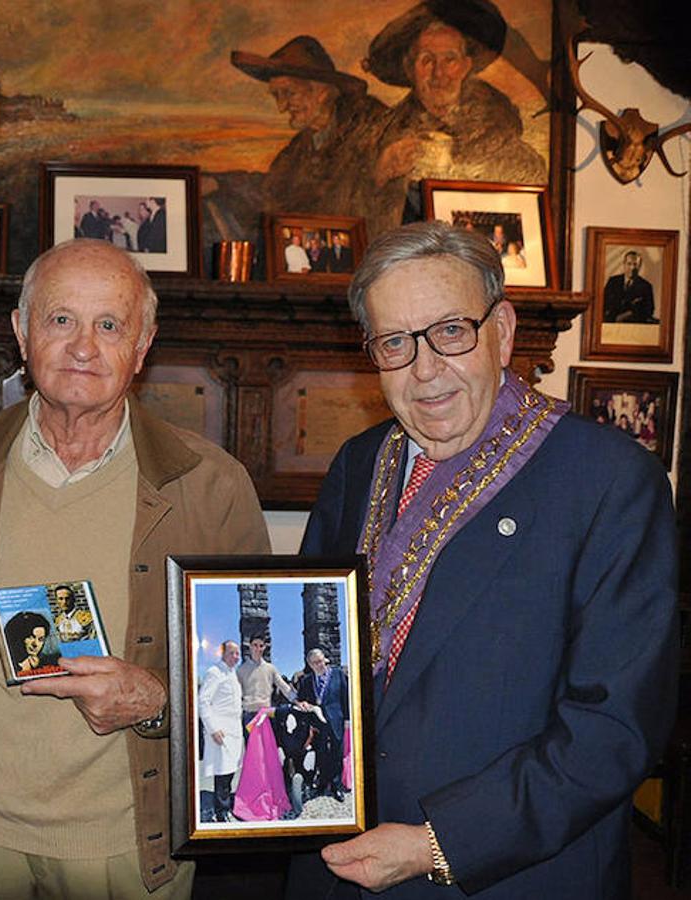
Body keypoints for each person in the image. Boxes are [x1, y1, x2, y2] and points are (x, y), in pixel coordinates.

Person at [286, 221, 676, 898]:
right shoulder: (357, 464)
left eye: (450, 332)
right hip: (338, 863)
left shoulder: (609, 480)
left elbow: (615, 728)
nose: (425, 368)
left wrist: (439, 845)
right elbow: (313, 642)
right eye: (395, 343)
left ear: (501, 330)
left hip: (506, 874)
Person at [0, 238, 270, 898]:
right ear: (21, 331)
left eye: (109, 324)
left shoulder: (212, 486)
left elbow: (251, 678)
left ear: (143, 345)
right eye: (60, 319)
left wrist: (155, 698)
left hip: (131, 847)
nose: (83, 346)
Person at [367, 1, 547, 206]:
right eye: (427, 60)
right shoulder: (383, 136)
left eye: (449, 59)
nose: (439, 73)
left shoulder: (501, 133)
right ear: (409, 69)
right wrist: (380, 175)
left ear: (465, 66)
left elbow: (530, 199)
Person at [227, 37, 388, 233]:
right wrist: (219, 183)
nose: (281, 107)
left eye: (289, 93)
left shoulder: (373, 124)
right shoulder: (297, 149)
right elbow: (270, 190)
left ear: (321, 91)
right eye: (277, 96)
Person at [294, 648, 349, 803]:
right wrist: (303, 703)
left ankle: (336, 786)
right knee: (321, 752)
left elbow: (345, 697)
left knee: (337, 753)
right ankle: (322, 784)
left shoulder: (338, 674)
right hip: (317, 723)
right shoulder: (306, 681)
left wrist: (347, 719)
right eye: (315, 663)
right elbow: (301, 700)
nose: (319, 665)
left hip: (337, 720)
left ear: (325, 659)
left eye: (320, 661)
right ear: (310, 665)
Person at [199, 641, 245, 823]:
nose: (237, 656)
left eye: (238, 653)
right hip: (221, 730)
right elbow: (203, 701)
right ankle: (221, 811)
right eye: (233, 653)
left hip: (234, 730)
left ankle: (225, 804)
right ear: (223, 653)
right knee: (223, 771)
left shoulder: (232, 674)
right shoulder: (214, 672)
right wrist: (213, 728)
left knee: (231, 769)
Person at [237, 635, 295, 734]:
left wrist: (296, 700)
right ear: (250, 646)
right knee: (253, 749)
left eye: (261, 646)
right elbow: (236, 693)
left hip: (267, 714)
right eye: (255, 645)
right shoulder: (241, 670)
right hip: (249, 716)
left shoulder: (271, 668)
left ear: (264, 647)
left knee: (268, 747)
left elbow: (283, 686)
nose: (258, 648)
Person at [602, 249, 657, 323]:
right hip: (611, 325)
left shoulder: (646, 287)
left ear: (640, 266)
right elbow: (603, 304)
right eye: (629, 264)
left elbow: (649, 311)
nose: (632, 268)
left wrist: (628, 314)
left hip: (634, 327)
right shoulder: (613, 282)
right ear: (624, 264)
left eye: (635, 264)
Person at [3, 611, 60, 676]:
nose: (35, 644)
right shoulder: (10, 664)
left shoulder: (46, 665)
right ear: (22, 636)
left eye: (40, 639)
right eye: (31, 637)